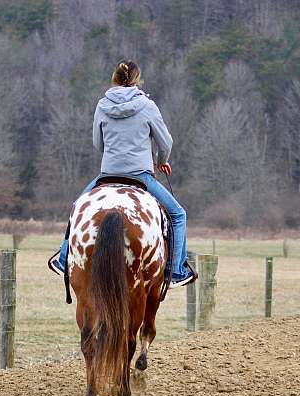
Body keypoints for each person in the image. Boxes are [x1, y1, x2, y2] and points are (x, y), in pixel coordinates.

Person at [48, 59, 196, 288]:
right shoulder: (148, 106)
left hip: (107, 174)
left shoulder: (101, 105)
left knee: (77, 207)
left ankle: (63, 258)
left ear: (115, 78)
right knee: (178, 215)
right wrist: (161, 161)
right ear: (137, 80)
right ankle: (176, 271)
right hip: (140, 176)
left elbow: (98, 144)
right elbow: (166, 143)